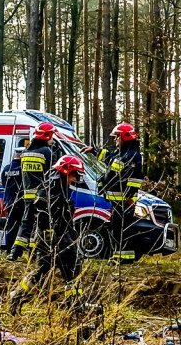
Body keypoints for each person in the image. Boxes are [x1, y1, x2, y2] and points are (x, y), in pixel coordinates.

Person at [8, 155, 86, 315]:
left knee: (73, 272)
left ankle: (76, 308)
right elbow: (42, 217)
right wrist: (51, 238)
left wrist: (72, 240)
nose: (76, 178)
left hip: (63, 239)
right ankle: (16, 296)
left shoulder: (63, 189)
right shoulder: (49, 190)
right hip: (48, 239)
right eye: (75, 174)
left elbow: (66, 221)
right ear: (66, 171)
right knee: (42, 272)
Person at [83, 122, 145, 263]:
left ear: (125, 137)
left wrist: (129, 197)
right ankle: (118, 256)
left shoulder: (133, 155)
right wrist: (94, 150)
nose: (115, 140)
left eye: (117, 137)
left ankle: (124, 258)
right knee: (116, 228)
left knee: (122, 229)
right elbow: (110, 158)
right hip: (117, 200)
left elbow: (135, 179)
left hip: (124, 200)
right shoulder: (123, 153)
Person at [8, 122, 56, 261]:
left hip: (28, 195)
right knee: (40, 225)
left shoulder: (26, 152)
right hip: (42, 196)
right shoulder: (47, 152)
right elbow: (51, 175)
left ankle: (14, 252)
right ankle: (34, 253)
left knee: (25, 223)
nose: (51, 139)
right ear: (47, 136)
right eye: (51, 136)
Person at [0, 142, 27, 254]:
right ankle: (18, 251)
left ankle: (9, 250)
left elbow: (4, 183)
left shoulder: (6, 168)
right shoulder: (23, 169)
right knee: (22, 227)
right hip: (21, 201)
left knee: (10, 227)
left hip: (9, 201)